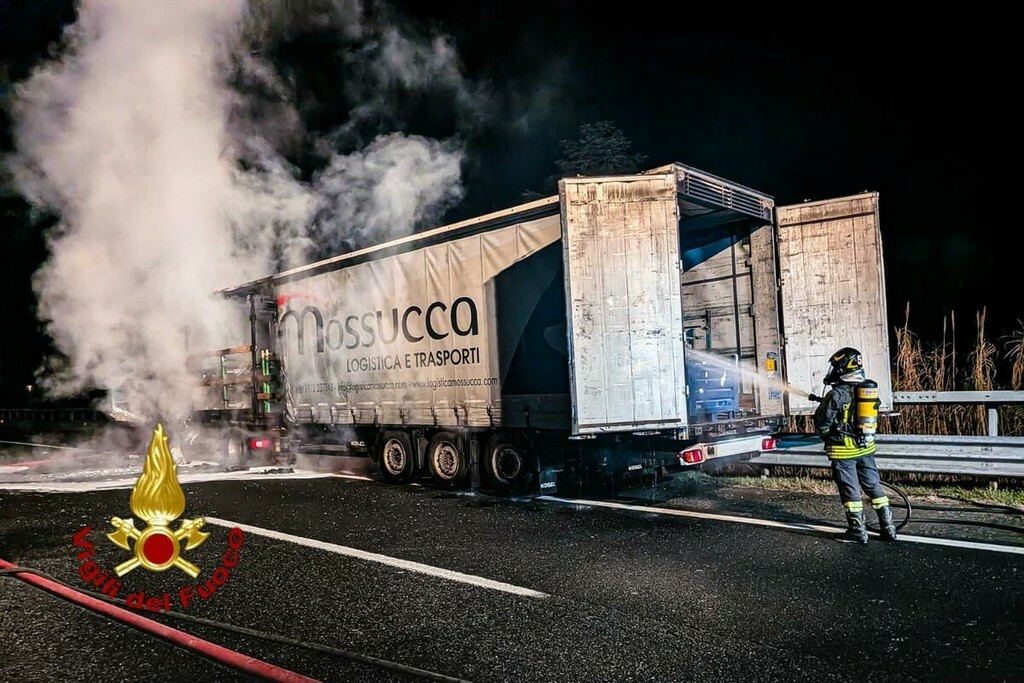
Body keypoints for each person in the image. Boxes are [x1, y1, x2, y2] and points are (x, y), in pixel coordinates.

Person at [812, 347, 898, 544]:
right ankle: (889, 528)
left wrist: (826, 436)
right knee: (873, 486)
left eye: (836, 366)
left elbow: (822, 422)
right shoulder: (866, 390)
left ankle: (857, 531)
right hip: (865, 448)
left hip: (843, 451)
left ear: (842, 367)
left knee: (850, 490)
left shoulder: (836, 394)